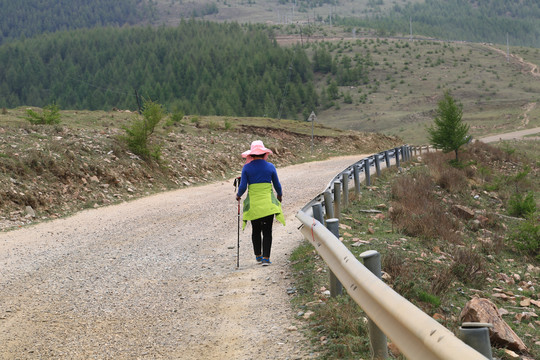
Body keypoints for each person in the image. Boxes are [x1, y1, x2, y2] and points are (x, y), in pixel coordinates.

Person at [236, 140, 285, 266]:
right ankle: (266, 258)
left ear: (251, 155)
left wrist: (238, 196)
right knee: (267, 231)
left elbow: (242, 187)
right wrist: (279, 196)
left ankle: (258, 255)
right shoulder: (270, 167)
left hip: (254, 205)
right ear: (264, 154)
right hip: (268, 204)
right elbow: (277, 185)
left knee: (256, 230)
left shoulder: (246, 168)